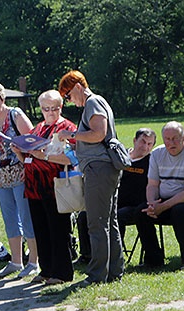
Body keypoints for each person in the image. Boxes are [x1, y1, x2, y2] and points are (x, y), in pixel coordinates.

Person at [57, 70, 124, 285]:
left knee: (96, 223)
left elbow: (98, 133)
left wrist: (71, 135)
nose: (69, 101)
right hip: (105, 168)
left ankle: (97, 275)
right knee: (109, 221)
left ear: (77, 86)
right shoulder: (97, 102)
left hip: (99, 169)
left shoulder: (93, 103)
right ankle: (114, 271)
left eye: (68, 96)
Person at [14, 90, 77, 285]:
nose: (50, 112)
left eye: (54, 108)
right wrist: (19, 151)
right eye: (45, 109)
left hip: (56, 185)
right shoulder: (38, 128)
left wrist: (45, 156)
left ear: (61, 107)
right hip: (34, 186)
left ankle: (62, 272)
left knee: (58, 230)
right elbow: (28, 158)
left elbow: (72, 157)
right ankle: (46, 269)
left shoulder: (67, 128)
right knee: (41, 230)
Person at [131, 121, 184, 270]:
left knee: (179, 211)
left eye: (175, 138)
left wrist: (162, 207)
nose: (171, 143)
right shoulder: (157, 154)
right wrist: (152, 205)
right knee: (141, 212)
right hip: (165, 199)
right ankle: (153, 260)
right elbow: (152, 185)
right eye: (167, 139)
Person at [0, 81, 38, 279]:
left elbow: (33, 142)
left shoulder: (15, 115)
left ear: (2, 98)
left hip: (20, 172)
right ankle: (16, 261)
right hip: (2, 177)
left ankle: (34, 262)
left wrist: (27, 166)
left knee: (26, 216)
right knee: (10, 220)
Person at [115, 128, 157, 244]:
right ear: (134, 140)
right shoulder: (121, 156)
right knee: (85, 215)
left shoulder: (152, 162)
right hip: (114, 201)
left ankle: (116, 255)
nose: (145, 147)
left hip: (136, 206)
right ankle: (87, 255)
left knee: (119, 216)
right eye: (142, 142)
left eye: (149, 144)